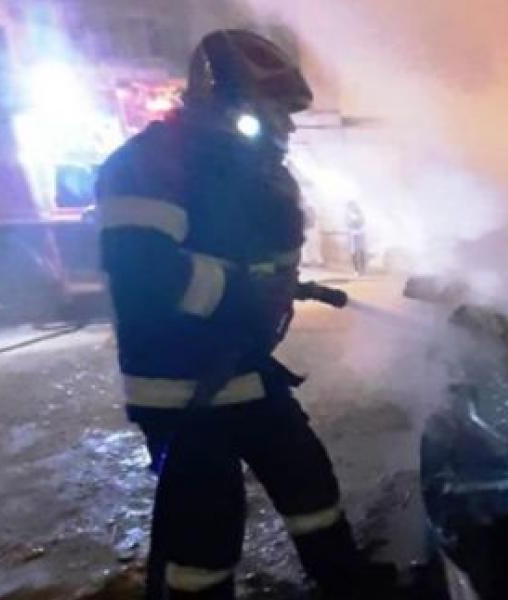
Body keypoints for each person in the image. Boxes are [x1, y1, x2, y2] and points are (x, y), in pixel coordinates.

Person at [95, 30, 386, 600]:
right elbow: (143, 273)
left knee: (307, 479)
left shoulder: (249, 172)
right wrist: (245, 292)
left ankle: (344, 581)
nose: (286, 127)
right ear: (226, 103)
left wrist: (277, 285)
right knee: (205, 526)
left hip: (243, 366)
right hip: (180, 384)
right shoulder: (147, 165)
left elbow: (250, 254)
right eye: (274, 110)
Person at [344, 200, 368, 275]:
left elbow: (362, 222)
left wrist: (355, 223)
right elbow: (347, 223)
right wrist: (352, 224)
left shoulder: (360, 213)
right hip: (352, 234)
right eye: (350, 206)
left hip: (360, 233)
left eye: (353, 206)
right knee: (353, 252)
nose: (351, 208)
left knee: (361, 251)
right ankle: (356, 270)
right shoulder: (347, 214)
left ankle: (363, 269)